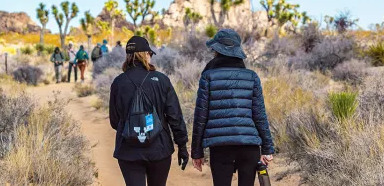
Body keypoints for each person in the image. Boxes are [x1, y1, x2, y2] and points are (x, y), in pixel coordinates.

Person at [191, 29, 275, 186]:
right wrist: (267, 148)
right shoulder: (252, 77)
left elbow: (200, 116)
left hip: (220, 148)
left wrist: (196, 152)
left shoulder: (208, 76)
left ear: (216, 50)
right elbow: (260, 115)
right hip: (249, 146)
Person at [109, 35, 189, 186]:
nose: (150, 56)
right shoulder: (161, 80)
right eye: (150, 54)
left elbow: (114, 121)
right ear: (145, 54)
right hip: (159, 149)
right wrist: (182, 145)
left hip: (128, 150)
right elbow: (175, 116)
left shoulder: (118, 83)